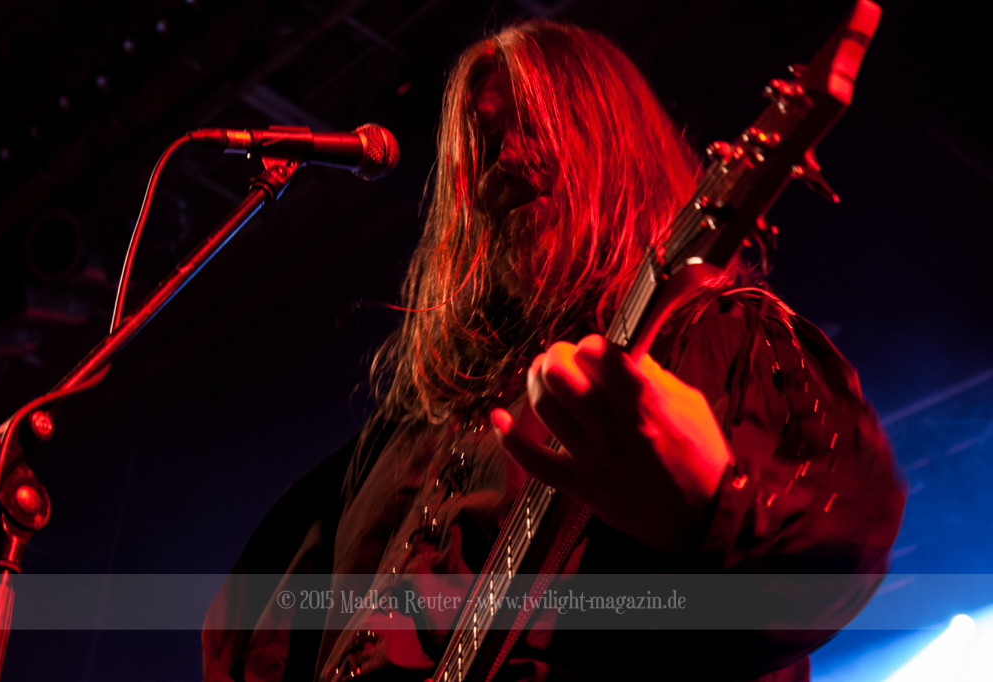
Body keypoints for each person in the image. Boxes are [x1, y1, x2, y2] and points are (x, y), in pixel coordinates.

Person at [202, 20, 904, 682]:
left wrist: (709, 512)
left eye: (530, 128)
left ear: (608, 145)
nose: (498, 168)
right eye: (483, 143)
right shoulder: (411, 425)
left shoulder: (715, 337)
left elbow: (834, 547)